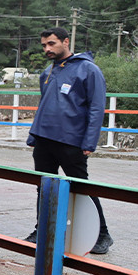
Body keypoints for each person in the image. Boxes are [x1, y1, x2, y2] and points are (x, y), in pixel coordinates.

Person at [24, 27, 112, 254]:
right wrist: (33, 134)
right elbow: (44, 105)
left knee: (81, 187)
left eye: (52, 44)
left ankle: (102, 234)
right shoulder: (48, 71)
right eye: (44, 45)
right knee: (44, 187)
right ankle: (42, 230)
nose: (47, 49)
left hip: (71, 141)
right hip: (44, 139)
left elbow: (96, 108)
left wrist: (89, 142)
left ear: (66, 41)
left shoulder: (88, 70)